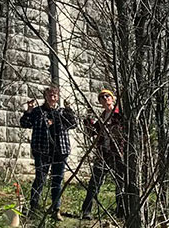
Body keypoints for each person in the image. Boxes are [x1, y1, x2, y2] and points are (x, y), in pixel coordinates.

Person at [20, 85, 78, 220]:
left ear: (58, 97)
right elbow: (25, 123)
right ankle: (33, 207)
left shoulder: (62, 112)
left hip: (60, 150)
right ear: (45, 97)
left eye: (55, 95)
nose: (53, 97)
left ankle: (56, 209)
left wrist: (69, 109)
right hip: (42, 150)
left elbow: (73, 124)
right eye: (50, 95)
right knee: (40, 179)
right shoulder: (38, 111)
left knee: (57, 180)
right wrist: (28, 110)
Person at [80, 89, 125, 219]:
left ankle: (120, 212)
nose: (105, 98)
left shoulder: (119, 115)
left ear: (112, 99)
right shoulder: (101, 117)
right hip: (103, 153)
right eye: (102, 97)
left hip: (117, 153)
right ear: (100, 102)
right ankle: (87, 211)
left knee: (120, 183)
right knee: (94, 182)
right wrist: (88, 120)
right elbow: (92, 132)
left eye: (107, 96)